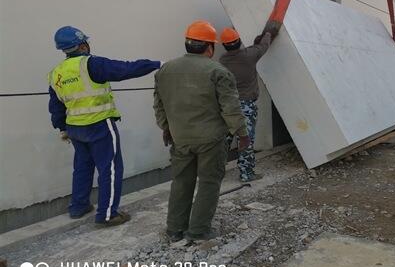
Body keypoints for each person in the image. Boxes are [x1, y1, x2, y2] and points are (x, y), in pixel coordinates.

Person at [48, 26, 160, 226]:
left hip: (74, 128)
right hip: (99, 125)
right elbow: (126, 69)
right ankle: (107, 215)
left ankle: (78, 206)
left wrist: (62, 128)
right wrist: (156, 64)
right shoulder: (91, 64)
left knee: (82, 167)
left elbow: (55, 105)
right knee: (110, 168)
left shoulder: (57, 73)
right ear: (83, 45)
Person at [153, 20, 250, 242]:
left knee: (181, 182)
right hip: (211, 140)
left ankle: (175, 229)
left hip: (180, 138)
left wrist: (166, 128)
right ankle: (198, 230)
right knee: (208, 182)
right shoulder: (218, 71)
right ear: (210, 47)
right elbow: (231, 107)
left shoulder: (166, 70)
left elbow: (159, 104)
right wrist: (242, 133)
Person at [218, 26, 278, 182]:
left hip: (226, 107)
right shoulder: (249, 56)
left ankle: (215, 174)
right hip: (245, 106)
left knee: (224, 140)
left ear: (224, 45)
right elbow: (263, 46)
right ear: (238, 41)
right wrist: (267, 34)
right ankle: (246, 174)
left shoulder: (222, 61)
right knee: (245, 140)